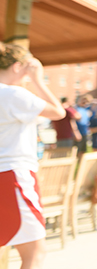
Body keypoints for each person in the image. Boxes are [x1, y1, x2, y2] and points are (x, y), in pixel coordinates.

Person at [0, 42, 66, 269]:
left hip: (6, 175)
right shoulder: (14, 94)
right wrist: (38, 79)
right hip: (13, 176)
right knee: (35, 253)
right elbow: (58, 111)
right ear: (18, 67)